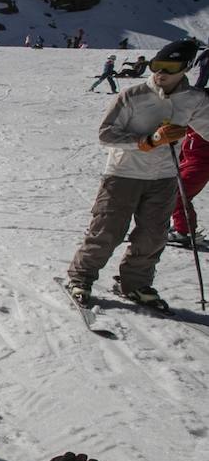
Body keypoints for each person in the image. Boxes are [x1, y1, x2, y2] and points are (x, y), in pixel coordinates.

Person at [65, 39, 209, 309]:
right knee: (107, 230)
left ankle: (135, 283)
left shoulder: (194, 100)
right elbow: (106, 134)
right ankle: (81, 277)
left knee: (153, 235)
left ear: (186, 68)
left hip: (165, 177)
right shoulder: (133, 95)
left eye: (170, 67)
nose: (161, 73)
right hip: (123, 174)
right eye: (157, 65)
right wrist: (149, 140)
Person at [170, 124, 209, 246]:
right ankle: (182, 226)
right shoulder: (192, 122)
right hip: (190, 162)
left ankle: (183, 231)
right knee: (175, 191)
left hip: (200, 165)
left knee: (178, 193)